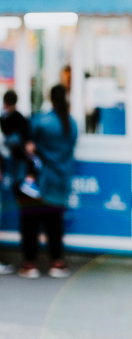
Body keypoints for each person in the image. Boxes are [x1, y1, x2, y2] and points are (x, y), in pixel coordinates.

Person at [17, 85, 77, 279]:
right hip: (60, 181)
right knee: (55, 224)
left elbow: (27, 141)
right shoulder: (72, 123)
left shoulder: (42, 121)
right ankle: (57, 262)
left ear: (50, 99)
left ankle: (30, 263)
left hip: (39, 181)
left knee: (31, 222)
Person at [1, 90, 43, 199]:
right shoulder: (20, 118)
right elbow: (27, 138)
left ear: (5, 102)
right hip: (21, 157)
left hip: (12, 157)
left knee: (16, 182)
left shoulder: (3, 120)